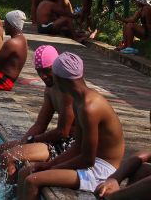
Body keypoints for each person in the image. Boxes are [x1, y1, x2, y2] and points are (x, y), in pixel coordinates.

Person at [18, 52, 125, 200]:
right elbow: (77, 147)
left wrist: (51, 168)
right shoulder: (79, 100)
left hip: (103, 171)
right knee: (26, 172)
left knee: (32, 180)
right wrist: (49, 165)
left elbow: (88, 160)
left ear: (61, 79)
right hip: (92, 163)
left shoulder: (89, 107)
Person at [0, 45, 76, 187]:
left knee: (9, 157)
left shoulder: (67, 91)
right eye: (39, 72)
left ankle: (8, 197)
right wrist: (25, 141)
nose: (43, 76)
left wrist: (34, 139)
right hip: (57, 141)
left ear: (57, 67)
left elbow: (63, 132)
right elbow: (40, 125)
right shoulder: (50, 90)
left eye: (47, 71)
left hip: (69, 145)